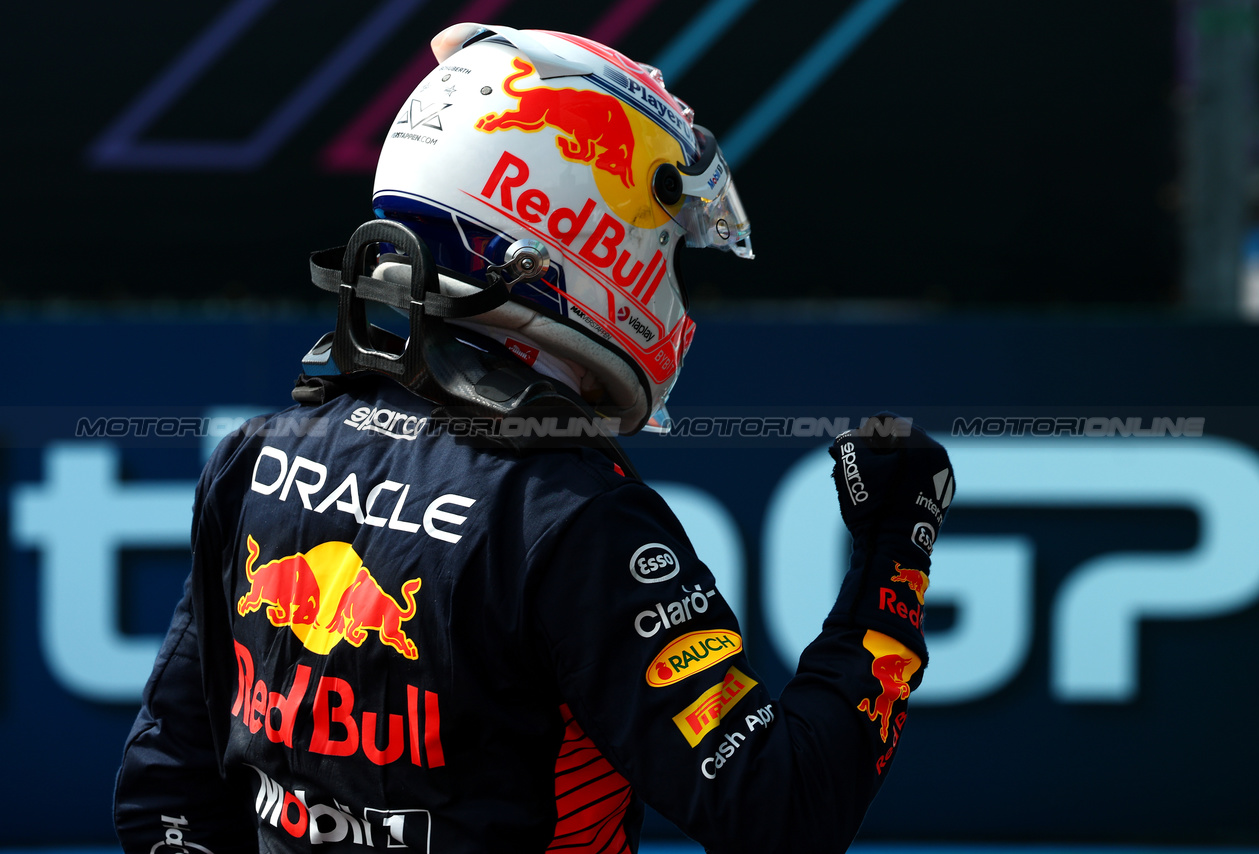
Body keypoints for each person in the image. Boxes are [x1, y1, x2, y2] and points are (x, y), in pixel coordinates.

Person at [114, 23, 954, 854]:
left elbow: (166, 797)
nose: (671, 287)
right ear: (575, 228)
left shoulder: (258, 457)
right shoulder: (570, 518)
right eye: (667, 249)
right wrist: (895, 550)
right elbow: (785, 813)